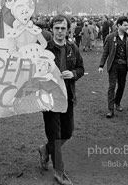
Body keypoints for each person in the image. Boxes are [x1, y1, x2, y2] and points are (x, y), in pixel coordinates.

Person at [37, 14, 84, 185]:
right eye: (56, 28)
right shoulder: (44, 49)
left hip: (68, 97)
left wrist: (74, 74)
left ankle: (45, 149)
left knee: (68, 133)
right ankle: (59, 172)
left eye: (63, 28)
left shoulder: (72, 47)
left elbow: (80, 67)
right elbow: (35, 73)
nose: (60, 31)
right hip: (49, 99)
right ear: (51, 29)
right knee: (55, 136)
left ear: (68, 29)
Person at [99, 16, 128, 118]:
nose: (126, 27)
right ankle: (110, 109)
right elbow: (105, 52)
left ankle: (117, 102)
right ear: (118, 25)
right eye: (124, 25)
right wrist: (101, 65)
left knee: (121, 85)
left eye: (127, 25)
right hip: (114, 64)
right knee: (111, 86)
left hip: (124, 65)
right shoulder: (110, 37)